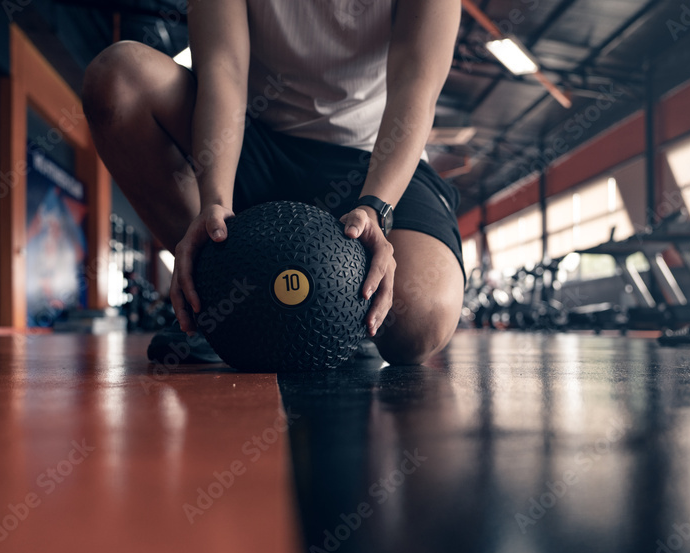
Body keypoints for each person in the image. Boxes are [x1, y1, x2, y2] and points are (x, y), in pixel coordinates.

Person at [82, 0, 465, 365]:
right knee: (118, 77)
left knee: (420, 322)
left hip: (375, 157)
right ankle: (216, 306)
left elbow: (416, 84)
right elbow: (223, 70)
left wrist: (377, 207)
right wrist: (214, 200)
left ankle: (347, 319)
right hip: (254, 144)